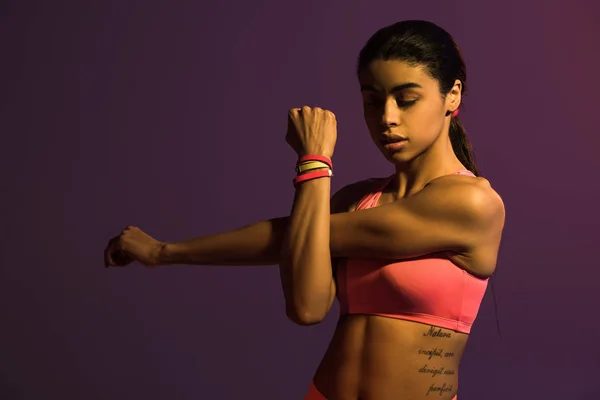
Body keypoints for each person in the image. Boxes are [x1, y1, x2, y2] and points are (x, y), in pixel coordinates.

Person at [104, 20, 505, 400]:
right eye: (372, 100)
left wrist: (315, 161)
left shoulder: (470, 203)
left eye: (407, 99)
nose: (387, 118)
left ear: (452, 95)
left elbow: (298, 234)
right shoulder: (357, 199)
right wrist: (314, 170)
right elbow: (307, 307)